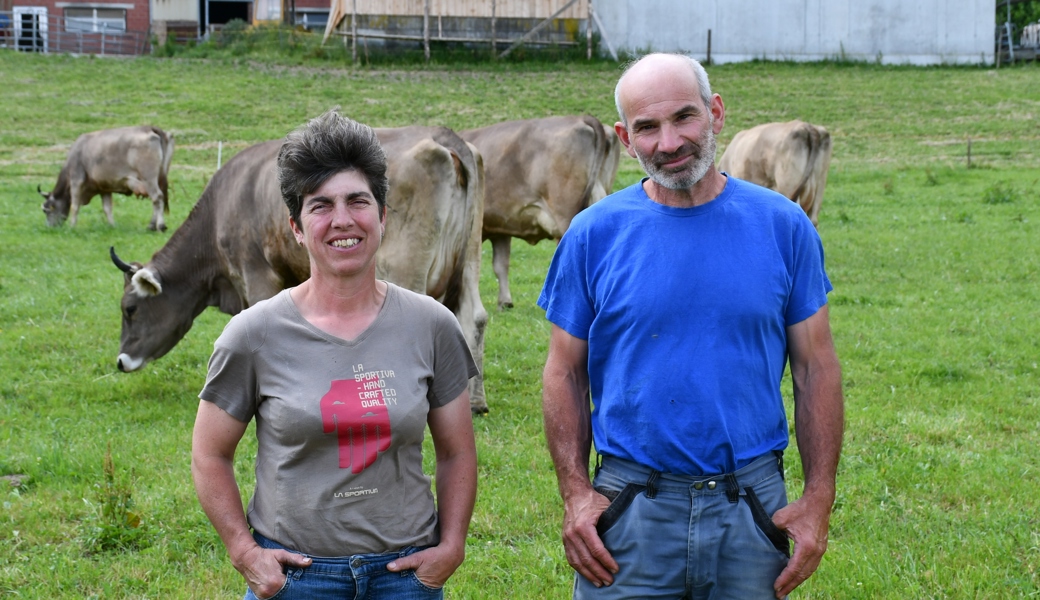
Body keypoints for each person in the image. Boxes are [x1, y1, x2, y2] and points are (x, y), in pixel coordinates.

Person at [539, 53, 844, 599]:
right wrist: (575, 493)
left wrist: (819, 497)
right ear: (624, 139)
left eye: (684, 117)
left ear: (716, 113)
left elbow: (815, 368)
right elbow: (564, 372)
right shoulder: (592, 235)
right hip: (629, 510)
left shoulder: (783, 227)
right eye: (647, 127)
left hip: (750, 509)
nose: (669, 142)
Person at [191, 109, 478, 600]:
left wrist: (451, 546)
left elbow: (456, 452)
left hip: (405, 577)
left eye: (357, 201)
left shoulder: (432, 325)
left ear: (383, 217)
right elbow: (209, 454)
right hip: (296, 579)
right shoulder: (253, 334)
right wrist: (244, 552)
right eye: (320, 206)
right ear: (297, 228)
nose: (342, 220)